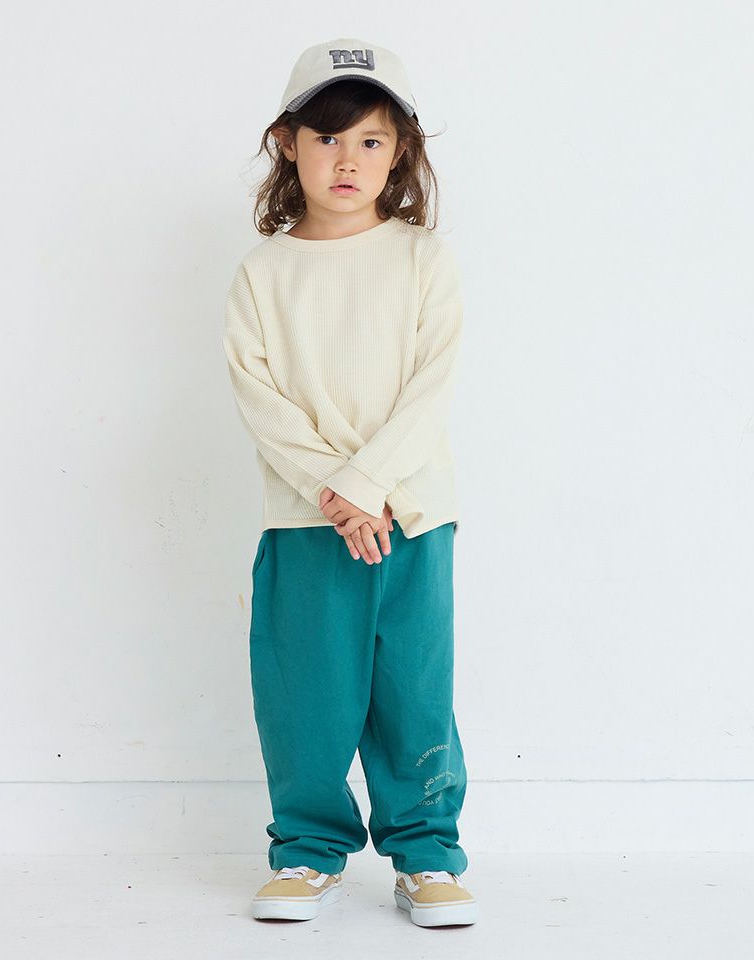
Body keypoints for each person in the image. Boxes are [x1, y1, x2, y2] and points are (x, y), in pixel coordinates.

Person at [222, 37, 477, 928]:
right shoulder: (263, 272)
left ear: (400, 150)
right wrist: (337, 491)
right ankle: (306, 849)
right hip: (307, 520)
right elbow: (261, 398)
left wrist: (368, 483)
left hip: (412, 514)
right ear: (287, 143)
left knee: (414, 690)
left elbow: (431, 385)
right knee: (306, 693)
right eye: (327, 138)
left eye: (370, 140)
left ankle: (427, 854)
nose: (347, 160)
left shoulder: (422, 259)